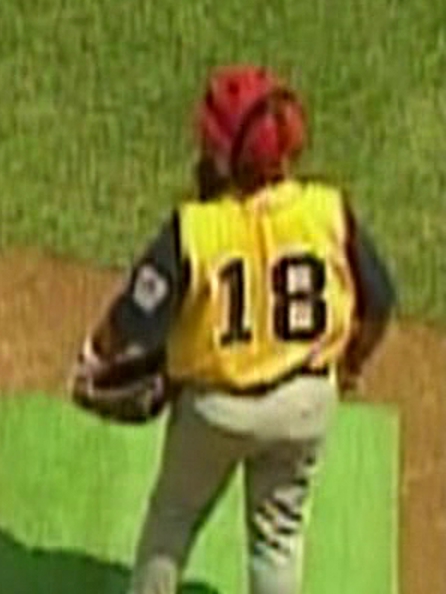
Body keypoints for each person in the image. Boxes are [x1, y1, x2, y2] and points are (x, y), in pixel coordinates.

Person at [71, 65, 398, 594]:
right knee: (278, 538)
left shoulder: (196, 229)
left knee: (172, 520)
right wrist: (349, 365)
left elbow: (133, 316)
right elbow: (379, 302)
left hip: (215, 413)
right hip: (305, 405)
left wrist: (92, 355)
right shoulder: (328, 212)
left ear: (222, 154)